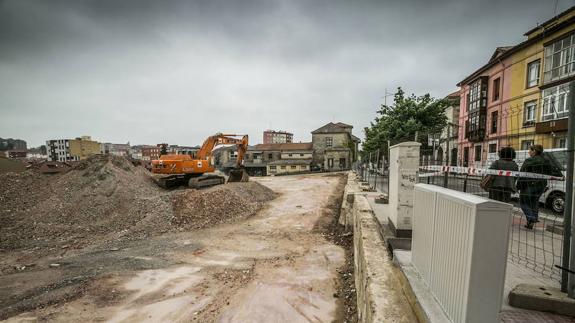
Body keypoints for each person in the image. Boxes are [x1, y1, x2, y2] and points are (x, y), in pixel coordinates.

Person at [516, 145, 562, 229]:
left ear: (534, 151)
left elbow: (522, 174)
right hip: (541, 185)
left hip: (528, 184)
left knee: (523, 202)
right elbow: (552, 172)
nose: (529, 152)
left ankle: (531, 218)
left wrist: (518, 186)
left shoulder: (529, 161)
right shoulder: (546, 161)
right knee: (534, 202)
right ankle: (530, 223)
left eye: (530, 150)